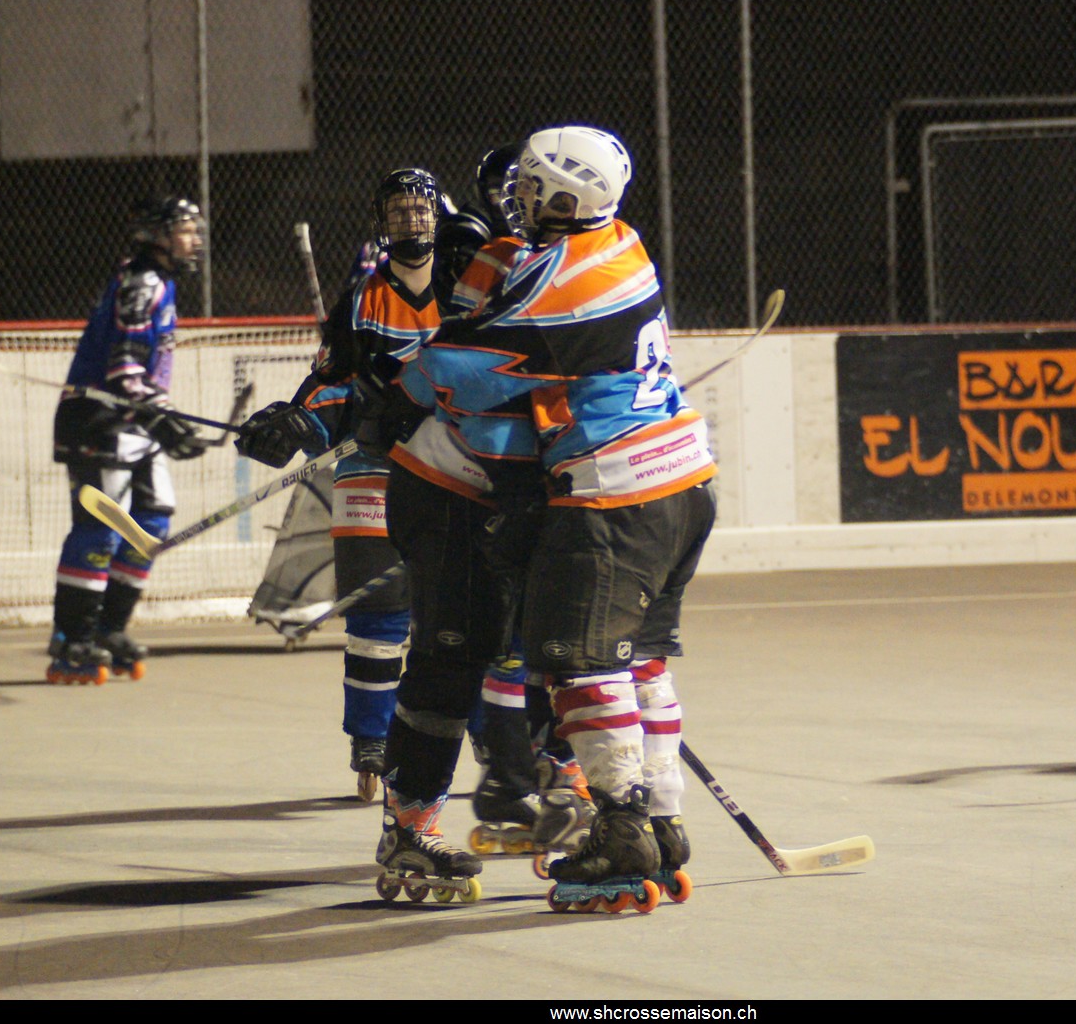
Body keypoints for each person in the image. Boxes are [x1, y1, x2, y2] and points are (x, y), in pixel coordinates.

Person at [414, 125, 716, 898]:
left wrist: (379, 399)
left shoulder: (567, 281)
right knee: (639, 662)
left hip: (615, 494)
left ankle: (619, 835)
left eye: (527, 183)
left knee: (577, 665)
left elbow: (464, 371)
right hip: (681, 485)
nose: (514, 194)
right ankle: (662, 822)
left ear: (559, 195)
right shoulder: (618, 242)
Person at [233, 170, 431, 801]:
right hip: (372, 470)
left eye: (420, 209)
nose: (411, 221)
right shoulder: (362, 300)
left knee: (465, 619)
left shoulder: (468, 289)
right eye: (398, 211)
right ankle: (372, 740)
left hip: (452, 471)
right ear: (382, 223)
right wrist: (297, 421)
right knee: (379, 618)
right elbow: (327, 384)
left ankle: (498, 749)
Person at [47, 196, 208, 685]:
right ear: (157, 237)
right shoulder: (142, 283)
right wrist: (163, 420)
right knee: (101, 529)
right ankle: (72, 637)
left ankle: (108, 629)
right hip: (98, 420)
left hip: (133, 420)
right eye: (185, 230)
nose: (194, 239)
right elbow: (125, 368)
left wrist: (163, 419)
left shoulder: (161, 282)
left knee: (151, 521)